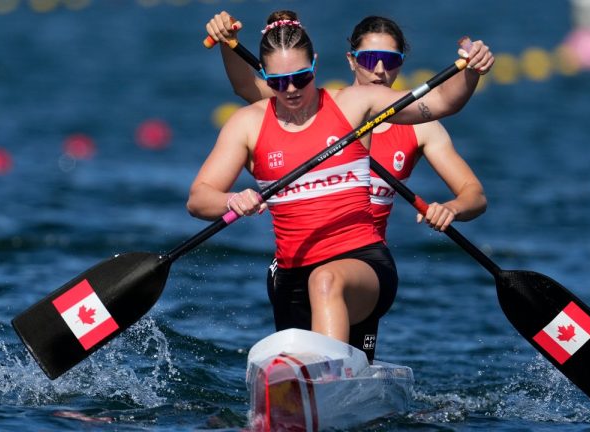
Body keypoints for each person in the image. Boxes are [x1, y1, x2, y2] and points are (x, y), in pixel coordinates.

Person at [191, 10, 491, 361]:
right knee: (302, 366)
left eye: (301, 78)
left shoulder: (355, 104)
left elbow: (441, 102)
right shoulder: (247, 123)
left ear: (315, 65)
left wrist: (471, 70)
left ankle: (332, 380)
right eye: (278, 82)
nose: (290, 90)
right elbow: (199, 199)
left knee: (326, 281)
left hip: (362, 262)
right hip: (291, 276)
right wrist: (231, 200)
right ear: (266, 78)